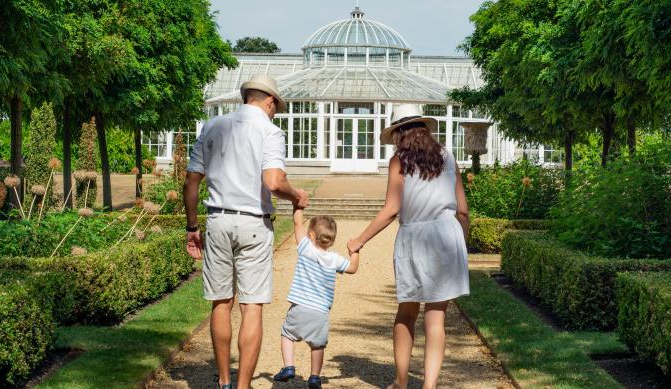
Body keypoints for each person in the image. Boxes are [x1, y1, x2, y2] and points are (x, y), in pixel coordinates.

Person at [184, 74, 310, 389]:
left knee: (221, 302)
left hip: (218, 220)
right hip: (253, 222)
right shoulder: (270, 131)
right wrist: (297, 196)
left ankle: (225, 380)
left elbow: (191, 181)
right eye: (275, 108)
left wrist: (191, 227)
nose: (275, 112)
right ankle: (243, 386)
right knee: (251, 306)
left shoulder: (212, 127)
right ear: (270, 101)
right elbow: (273, 182)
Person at [347, 104, 470, 389]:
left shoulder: (399, 160)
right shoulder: (448, 158)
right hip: (447, 234)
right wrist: (461, 243)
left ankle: (401, 382)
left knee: (406, 311)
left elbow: (392, 209)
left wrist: (359, 240)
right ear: (424, 128)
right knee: (436, 318)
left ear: (399, 133)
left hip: (416, 237)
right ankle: (429, 386)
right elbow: (462, 210)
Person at [273, 209, 359, 389]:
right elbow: (352, 268)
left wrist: (298, 207)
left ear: (311, 235)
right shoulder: (335, 259)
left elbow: (297, 224)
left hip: (299, 306)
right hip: (320, 312)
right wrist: (354, 251)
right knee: (317, 345)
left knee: (287, 335)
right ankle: (314, 377)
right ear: (331, 240)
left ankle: (288, 366)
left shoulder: (306, 249)